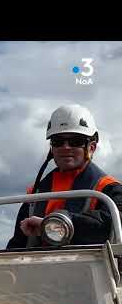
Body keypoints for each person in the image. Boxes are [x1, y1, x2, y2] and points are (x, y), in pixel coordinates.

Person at [7, 104, 122, 249]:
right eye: (58, 141)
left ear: (91, 148)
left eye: (75, 141)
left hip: (92, 269)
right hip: (37, 268)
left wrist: (53, 224)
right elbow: (17, 244)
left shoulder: (109, 190)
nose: (65, 147)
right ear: (52, 149)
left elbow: (110, 225)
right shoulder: (35, 194)